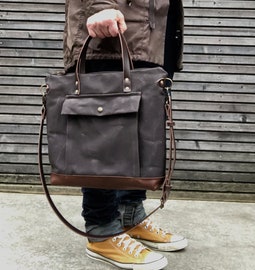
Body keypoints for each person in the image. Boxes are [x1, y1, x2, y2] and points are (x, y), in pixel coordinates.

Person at [63, 1, 187, 269]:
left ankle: (130, 215)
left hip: (152, 32)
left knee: (139, 133)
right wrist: (100, 6)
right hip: (111, 29)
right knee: (104, 135)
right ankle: (102, 229)